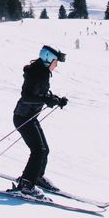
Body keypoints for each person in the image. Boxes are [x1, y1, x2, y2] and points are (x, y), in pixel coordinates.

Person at [12, 44, 68, 198]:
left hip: (30, 116)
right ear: (48, 60)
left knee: (44, 150)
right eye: (55, 62)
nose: (56, 65)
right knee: (38, 151)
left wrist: (56, 100)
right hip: (23, 117)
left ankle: (35, 177)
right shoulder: (36, 74)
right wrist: (45, 99)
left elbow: (41, 94)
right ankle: (26, 185)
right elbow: (27, 96)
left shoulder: (41, 72)